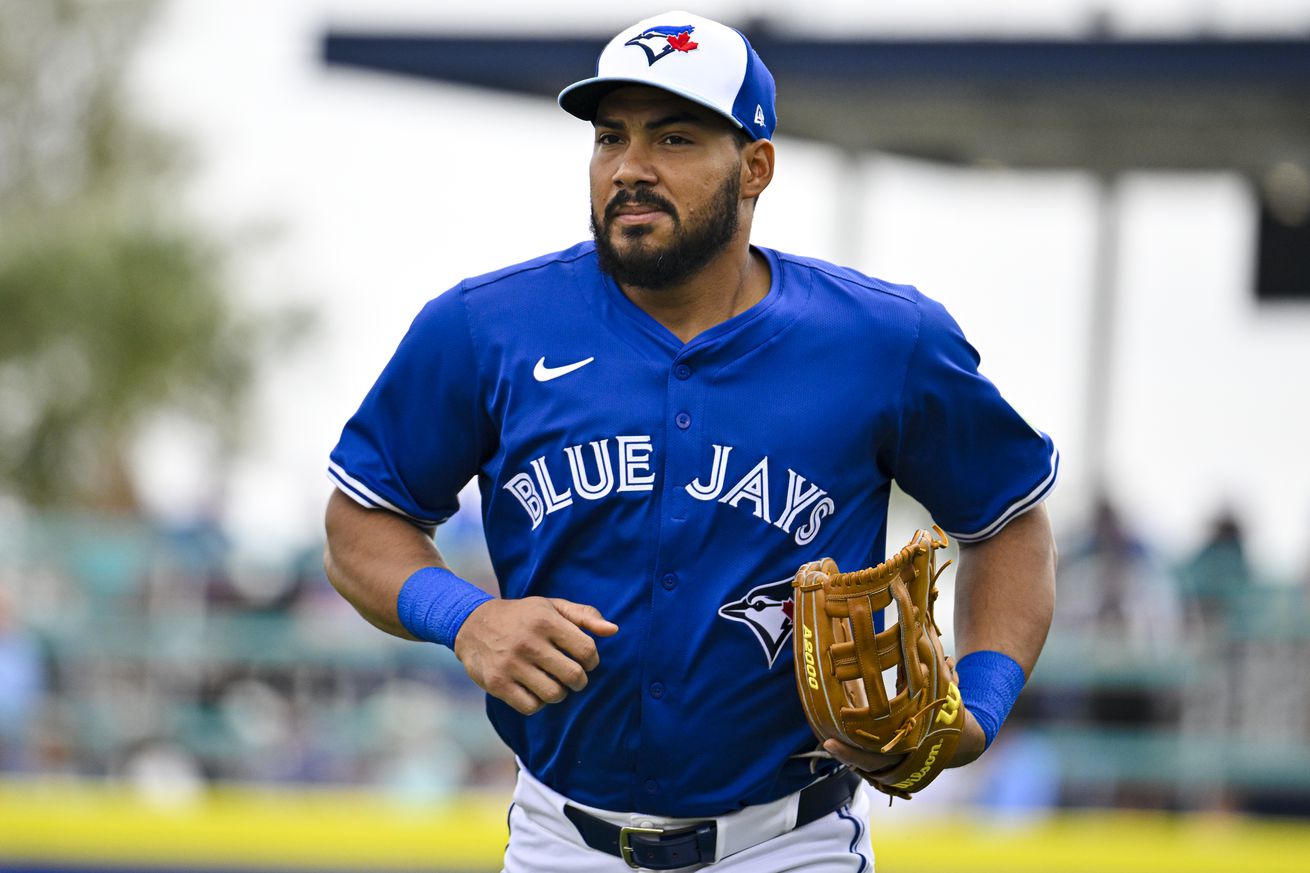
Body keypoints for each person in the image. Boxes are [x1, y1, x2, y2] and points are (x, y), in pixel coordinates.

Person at [324, 11, 1058, 872]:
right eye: (610, 138)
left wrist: (978, 705)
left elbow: (1008, 519)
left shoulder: (884, 341)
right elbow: (358, 522)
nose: (630, 169)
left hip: (789, 844)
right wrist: (467, 616)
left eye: (674, 137)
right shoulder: (487, 328)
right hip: (563, 841)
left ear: (756, 167)